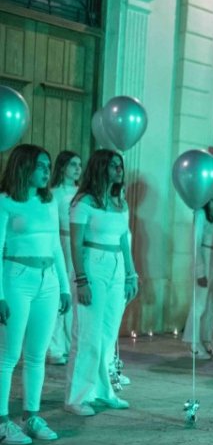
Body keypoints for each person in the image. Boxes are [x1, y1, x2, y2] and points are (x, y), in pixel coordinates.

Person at [0, 146, 71, 445]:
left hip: (49, 281)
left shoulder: (49, 200)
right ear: (24, 167)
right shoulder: (5, 202)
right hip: (17, 279)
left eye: (48, 165)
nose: (46, 171)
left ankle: (31, 415)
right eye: (41, 165)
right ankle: (2, 421)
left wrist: (65, 286)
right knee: (8, 355)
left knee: (36, 355)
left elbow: (56, 245)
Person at [63, 149, 137, 416]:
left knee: (107, 335)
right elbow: (75, 242)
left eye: (120, 165)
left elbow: (123, 241)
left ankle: (103, 391)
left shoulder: (120, 202)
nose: (119, 169)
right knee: (87, 334)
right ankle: (76, 397)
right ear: (101, 167)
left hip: (117, 267)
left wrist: (131, 274)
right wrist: (81, 279)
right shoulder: (83, 202)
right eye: (114, 165)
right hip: (93, 264)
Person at [184, 189, 213, 360]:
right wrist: (199, 271)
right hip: (205, 257)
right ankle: (193, 343)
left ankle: (207, 341)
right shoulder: (200, 214)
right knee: (199, 305)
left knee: (212, 306)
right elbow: (195, 243)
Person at [46, 150, 80, 366]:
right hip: (62, 244)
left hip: (77, 247)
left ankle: (70, 343)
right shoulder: (54, 194)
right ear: (62, 168)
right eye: (73, 165)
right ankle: (54, 346)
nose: (78, 169)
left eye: (79, 165)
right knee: (61, 293)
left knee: (74, 296)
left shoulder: (82, 193)